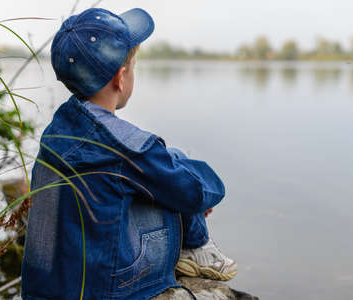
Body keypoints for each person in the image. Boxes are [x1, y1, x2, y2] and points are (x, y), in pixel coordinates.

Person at [21, 7, 236, 300]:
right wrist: (202, 197)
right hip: (105, 291)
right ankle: (197, 247)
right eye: (133, 66)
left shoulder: (56, 131)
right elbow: (194, 193)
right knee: (174, 166)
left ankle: (194, 246)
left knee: (163, 163)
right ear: (121, 78)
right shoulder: (129, 146)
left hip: (46, 289)